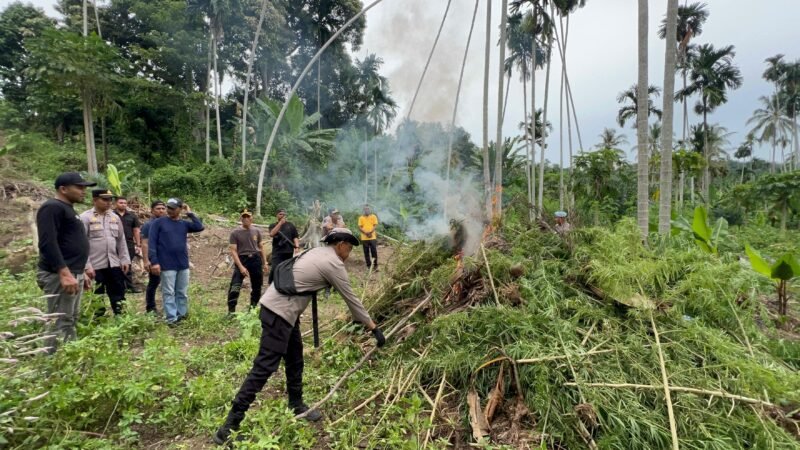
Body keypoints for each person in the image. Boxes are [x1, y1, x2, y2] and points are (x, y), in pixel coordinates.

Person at [214, 228, 386, 444]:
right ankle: (229, 426)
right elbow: (352, 300)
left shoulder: (315, 252)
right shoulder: (333, 263)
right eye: (349, 248)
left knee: (295, 358)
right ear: (341, 244)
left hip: (282, 311)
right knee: (264, 367)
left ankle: (296, 404)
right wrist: (373, 328)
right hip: (280, 314)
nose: (349, 252)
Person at [36, 172, 96, 352]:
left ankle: (68, 358)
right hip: (59, 275)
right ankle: (52, 366)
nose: (83, 191)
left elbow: (70, 242)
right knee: (59, 320)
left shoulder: (68, 209)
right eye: (79, 187)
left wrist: (81, 271)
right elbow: (48, 243)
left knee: (70, 318)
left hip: (73, 272)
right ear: (63, 189)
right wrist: (64, 272)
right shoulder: (52, 208)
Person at [147, 198, 204, 325]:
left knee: (182, 292)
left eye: (173, 208)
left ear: (180, 209)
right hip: (166, 264)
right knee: (168, 292)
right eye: (168, 207)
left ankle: (181, 314)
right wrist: (154, 261)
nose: (169, 210)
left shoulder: (183, 224)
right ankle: (171, 318)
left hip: (182, 263)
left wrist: (190, 213)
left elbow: (199, 227)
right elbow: (152, 243)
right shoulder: (159, 223)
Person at [80, 189, 131, 316]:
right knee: (96, 296)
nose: (108, 202)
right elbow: (81, 244)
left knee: (118, 295)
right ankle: (98, 321)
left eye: (110, 199)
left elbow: (121, 240)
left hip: (113, 263)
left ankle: (121, 319)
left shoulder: (114, 217)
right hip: (95, 266)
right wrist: (86, 265)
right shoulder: (85, 218)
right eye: (104, 199)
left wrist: (124, 259)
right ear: (94, 200)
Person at [227, 209, 267, 313]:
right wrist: (241, 267)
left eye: (248, 217)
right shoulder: (235, 233)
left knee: (257, 286)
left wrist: (265, 262)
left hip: (255, 259)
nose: (246, 219)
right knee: (235, 286)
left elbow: (261, 247)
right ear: (241, 218)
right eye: (243, 217)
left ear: (251, 218)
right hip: (242, 259)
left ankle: (252, 309)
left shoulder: (256, 231)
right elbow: (233, 251)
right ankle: (231, 311)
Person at [140, 200, 167, 314]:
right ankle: (150, 308)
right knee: (154, 282)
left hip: (168, 258)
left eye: (162, 208)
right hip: (155, 258)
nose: (161, 210)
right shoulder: (148, 225)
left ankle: (169, 307)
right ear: (152, 211)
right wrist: (146, 260)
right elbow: (145, 243)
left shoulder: (168, 222)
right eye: (158, 209)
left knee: (168, 284)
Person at [114, 196, 142, 293]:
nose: (123, 205)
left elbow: (136, 230)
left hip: (129, 243)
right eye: (121, 203)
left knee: (128, 264)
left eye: (125, 203)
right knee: (115, 266)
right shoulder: (111, 215)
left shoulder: (132, 216)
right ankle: (118, 287)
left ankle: (129, 287)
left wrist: (138, 244)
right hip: (114, 244)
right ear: (116, 204)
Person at [268, 208, 299, 284]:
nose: (282, 216)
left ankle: (284, 285)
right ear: (277, 215)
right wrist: (280, 223)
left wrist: (297, 247)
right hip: (277, 252)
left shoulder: (290, 225)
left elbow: (295, 236)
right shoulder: (273, 225)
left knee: (287, 269)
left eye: (284, 214)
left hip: (288, 251)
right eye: (280, 214)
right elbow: (272, 234)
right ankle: (271, 284)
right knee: (275, 268)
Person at [358, 204, 379, 271]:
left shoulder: (373, 216)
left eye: (368, 209)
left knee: (374, 252)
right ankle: (369, 266)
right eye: (365, 209)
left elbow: (375, 225)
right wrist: (365, 233)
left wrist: (370, 232)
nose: (367, 210)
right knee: (366, 252)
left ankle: (375, 266)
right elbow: (359, 227)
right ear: (363, 210)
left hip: (372, 237)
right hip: (364, 238)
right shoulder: (361, 218)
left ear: (370, 210)